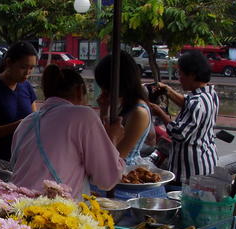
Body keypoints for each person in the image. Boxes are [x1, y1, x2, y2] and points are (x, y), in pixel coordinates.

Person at [10, 65, 125, 197]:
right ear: (79, 91)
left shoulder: (26, 123)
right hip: (51, 212)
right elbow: (107, 179)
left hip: (15, 205)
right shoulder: (83, 115)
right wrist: (113, 139)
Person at [149, 50, 219, 183]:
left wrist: (160, 113)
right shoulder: (210, 95)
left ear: (192, 75)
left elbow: (178, 134)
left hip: (191, 172)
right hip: (206, 162)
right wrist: (167, 90)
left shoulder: (196, 103)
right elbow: (186, 102)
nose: (179, 78)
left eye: (180, 73)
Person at [0, 41, 38, 162]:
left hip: (27, 158)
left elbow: (34, 120)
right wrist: (17, 126)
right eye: (23, 67)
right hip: (1, 159)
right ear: (9, 63)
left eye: (31, 68)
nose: (27, 73)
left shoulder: (27, 87)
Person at [94, 51, 152, 165]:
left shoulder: (138, 113)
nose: (103, 91)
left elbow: (118, 154)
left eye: (105, 86)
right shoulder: (124, 106)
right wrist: (104, 110)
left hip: (126, 173)